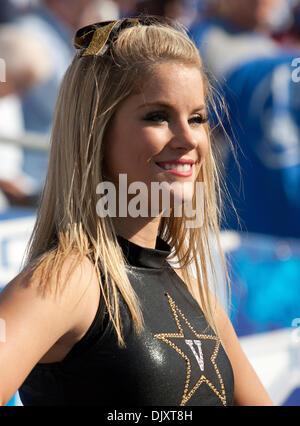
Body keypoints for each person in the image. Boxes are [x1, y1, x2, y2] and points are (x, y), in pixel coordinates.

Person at [0, 16, 273, 406]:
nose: (188, 138)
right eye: (158, 116)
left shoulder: (198, 294)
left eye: (197, 118)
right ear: (95, 130)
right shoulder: (68, 281)